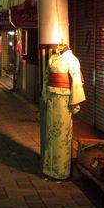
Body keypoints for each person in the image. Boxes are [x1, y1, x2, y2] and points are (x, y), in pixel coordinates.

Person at [40, 43, 86, 180]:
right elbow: (47, 77)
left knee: (62, 134)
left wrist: (74, 102)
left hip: (64, 100)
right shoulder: (53, 58)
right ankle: (49, 169)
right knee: (51, 133)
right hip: (53, 99)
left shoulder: (73, 60)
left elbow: (76, 81)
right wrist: (45, 94)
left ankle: (61, 172)